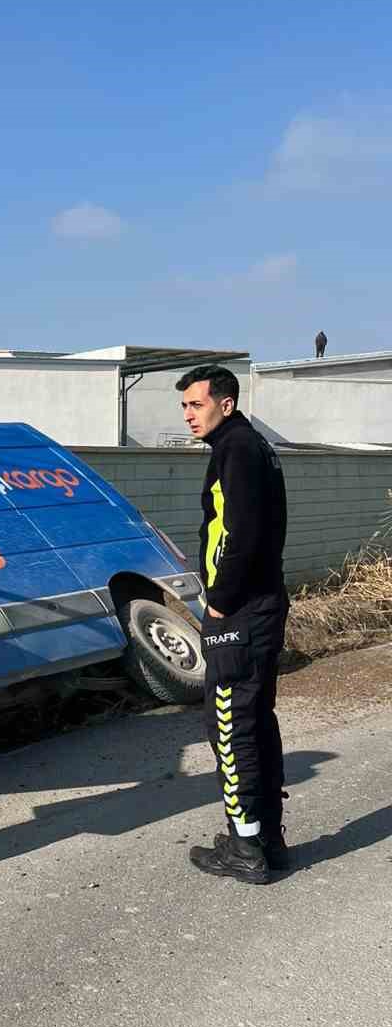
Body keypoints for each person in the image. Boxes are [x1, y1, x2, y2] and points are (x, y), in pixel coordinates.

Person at [176, 364, 290, 884]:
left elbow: (242, 533)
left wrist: (220, 601)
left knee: (230, 725)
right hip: (259, 605)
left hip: (241, 610)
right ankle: (267, 838)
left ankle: (246, 849)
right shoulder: (251, 446)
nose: (188, 415)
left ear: (225, 403)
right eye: (184, 406)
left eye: (196, 404)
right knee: (255, 719)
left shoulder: (236, 449)